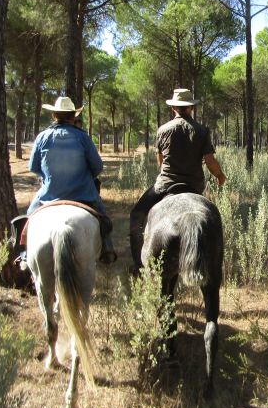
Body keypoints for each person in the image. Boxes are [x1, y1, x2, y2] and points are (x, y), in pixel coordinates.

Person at [129, 88, 226, 271]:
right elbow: (210, 161)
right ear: (191, 107)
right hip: (194, 187)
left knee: (136, 215)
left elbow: (161, 161)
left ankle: (138, 266)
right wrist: (220, 176)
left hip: (165, 186)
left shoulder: (163, 130)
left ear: (173, 107)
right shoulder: (202, 131)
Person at [14, 96, 116, 264]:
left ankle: (24, 256)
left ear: (54, 115)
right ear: (73, 116)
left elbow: (33, 167)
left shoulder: (42, 137)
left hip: (49, 194)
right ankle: (107, 248)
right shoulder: (83, 137)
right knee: (103, 218)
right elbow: (97, 167)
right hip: (83, 195)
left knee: (28, 218)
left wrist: (49, 176)